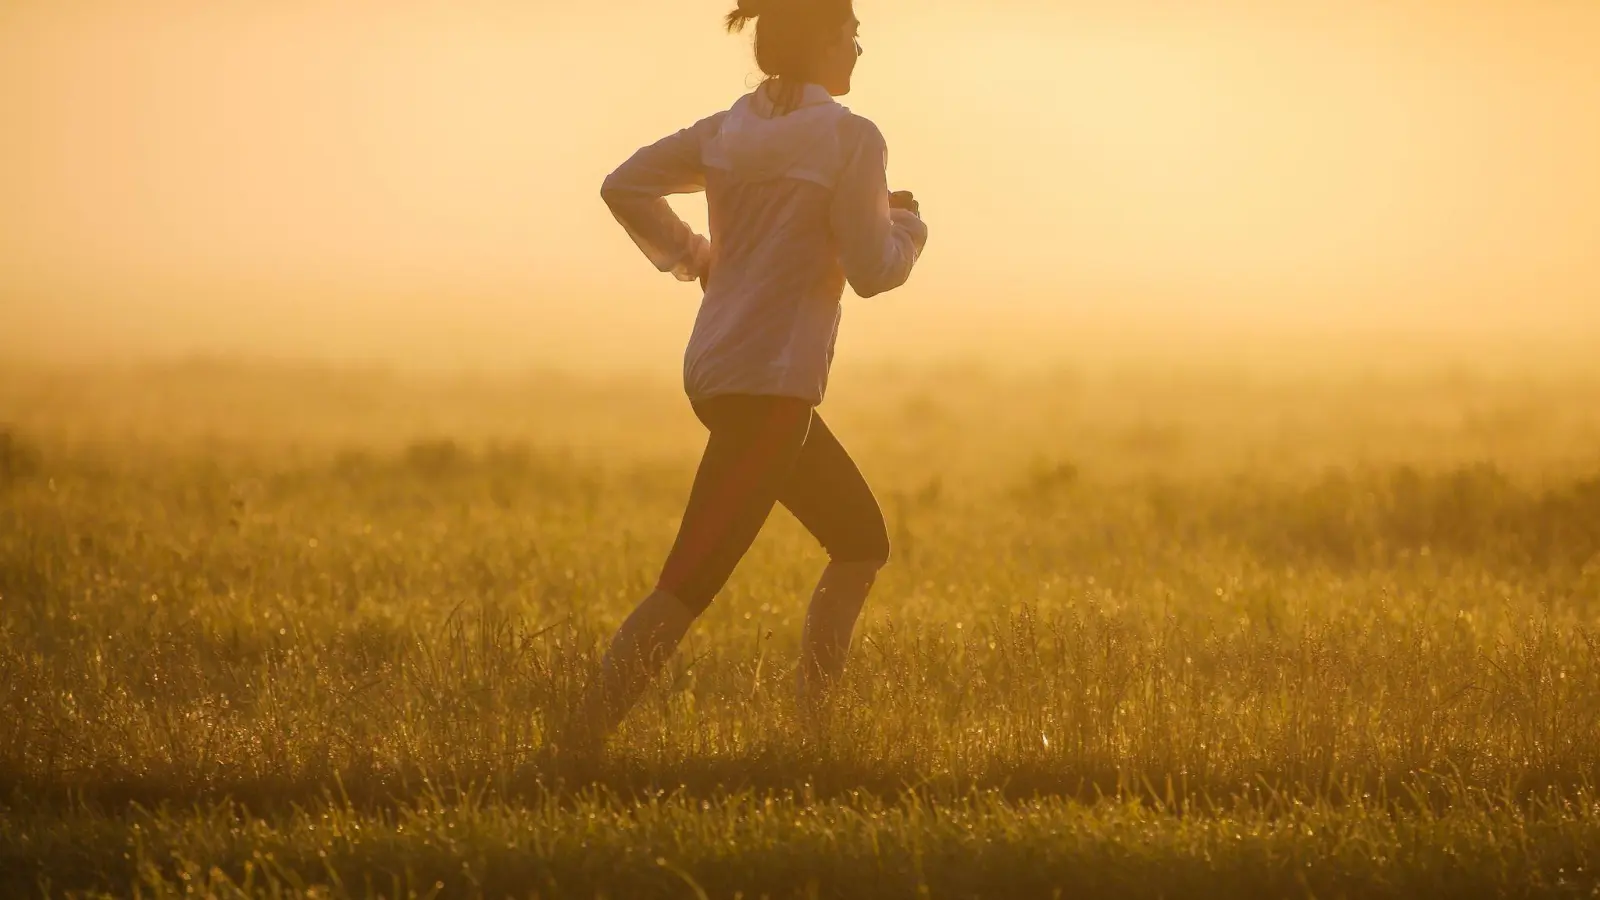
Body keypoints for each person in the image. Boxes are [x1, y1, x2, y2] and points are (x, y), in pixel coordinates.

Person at [580, 0, 928, 748]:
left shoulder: (726, 131)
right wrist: (909, 226)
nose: (862, 48)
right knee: (690, 581)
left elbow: (623, 186)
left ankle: (817, 734)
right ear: (826, 42)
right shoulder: (851, 138)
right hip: (773, 387)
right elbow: (872, 270)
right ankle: (571, 748)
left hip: (719, 371)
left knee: (861, 541)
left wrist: (696, 259)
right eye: (853, 33)